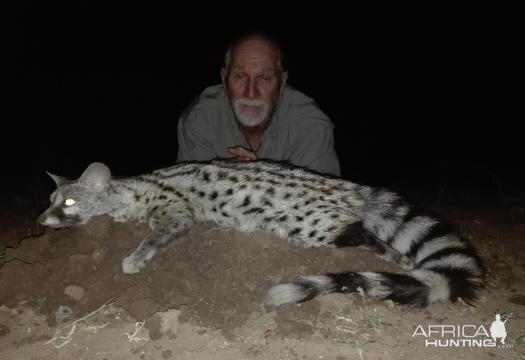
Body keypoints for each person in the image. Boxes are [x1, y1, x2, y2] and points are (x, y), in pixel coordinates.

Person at [176, 33, 340, 176]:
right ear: (224, 78)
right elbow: (190, 203)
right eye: (240, 76)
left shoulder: (311, 127)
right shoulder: (200, 118)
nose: (251, 93)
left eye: (265, 78)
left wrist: (258, 178)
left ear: (282, 82)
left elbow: (321, 208)